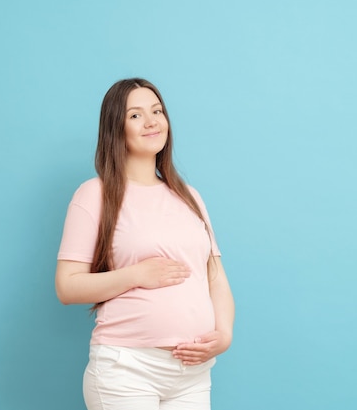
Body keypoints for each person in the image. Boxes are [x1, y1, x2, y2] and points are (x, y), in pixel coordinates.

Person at [55, 78, 234, 410]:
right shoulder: (94, 194)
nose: (152, 121)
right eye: (135, 115)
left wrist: (223, 334)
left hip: (191, 375)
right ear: (115, 128)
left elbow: (215, 277)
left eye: (157, 111)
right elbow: (67, 287)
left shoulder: (188, 196)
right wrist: (137, 274)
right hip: (127, 370)